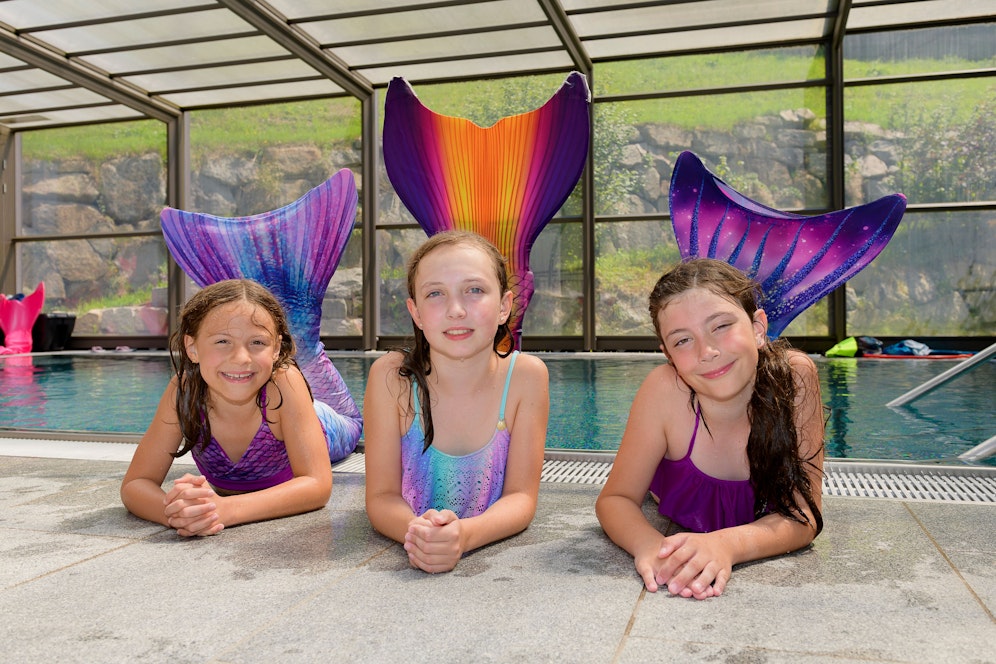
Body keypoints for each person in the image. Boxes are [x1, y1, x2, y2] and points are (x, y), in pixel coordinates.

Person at [595, 258, 824, 599]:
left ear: (758, 327)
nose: (708, 352)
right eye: (683, 341)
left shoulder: (794, 380)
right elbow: (615, 499)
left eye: (721, 326)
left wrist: (725, 545)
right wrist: (652, 548)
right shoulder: (664, 390)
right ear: (668, 355)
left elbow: (804, 514)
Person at [364, 230, 549, 573]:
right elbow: (380, 497)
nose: (456, 310)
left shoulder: (525, 377)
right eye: (436, 294)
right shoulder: (392, 378)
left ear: (504, 306)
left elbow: (521, 498)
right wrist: (418, 534)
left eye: (474, 290)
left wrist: (464, 535)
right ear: (416, 312)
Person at [121, 279, 334, 536]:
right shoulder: (185, 391)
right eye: (222, 342)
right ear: (192, 347)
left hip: (326, 424)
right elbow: (135, 484)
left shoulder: (283, 382)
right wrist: (178, 514)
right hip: (289, 411)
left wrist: (225, 510)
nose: (241, 358)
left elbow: (318, 485)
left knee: (345, 423)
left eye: (257, 343)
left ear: (276, 348)